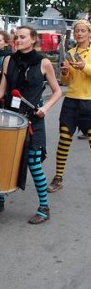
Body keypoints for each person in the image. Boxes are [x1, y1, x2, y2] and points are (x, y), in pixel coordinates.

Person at [0, 25, 62, 222]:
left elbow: (57, 91)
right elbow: (2, 89)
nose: (18, 40)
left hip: (32, 120)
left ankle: (44, 207)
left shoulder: (44, 63)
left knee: (33, 163)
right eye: (16, 37)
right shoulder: (8, 60)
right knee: (5, 159)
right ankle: (0, 201)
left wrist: (45, 109)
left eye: (22, 37)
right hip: (10, 118)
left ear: (33, 40)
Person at [47, 19, 91, 192]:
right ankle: (58, 177)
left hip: (89, 102)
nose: (79, 33)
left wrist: (84, 67)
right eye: (76, 30)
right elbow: (66, 81)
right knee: (64, 139)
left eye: (82, 30)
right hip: (71, 100)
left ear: (89, 33)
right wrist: (65, 72)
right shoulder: (70, 52)